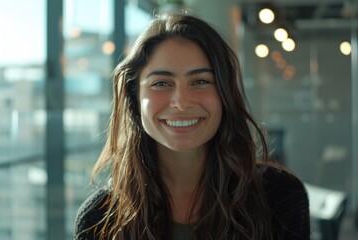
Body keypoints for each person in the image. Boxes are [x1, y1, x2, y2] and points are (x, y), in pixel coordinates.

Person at [74, 13, 310, 240]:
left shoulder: (278, 196)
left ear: (225, 95)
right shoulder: (99, 219)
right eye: (161, 83)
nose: (181, 102)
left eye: (200, 81)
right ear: (135, 99)